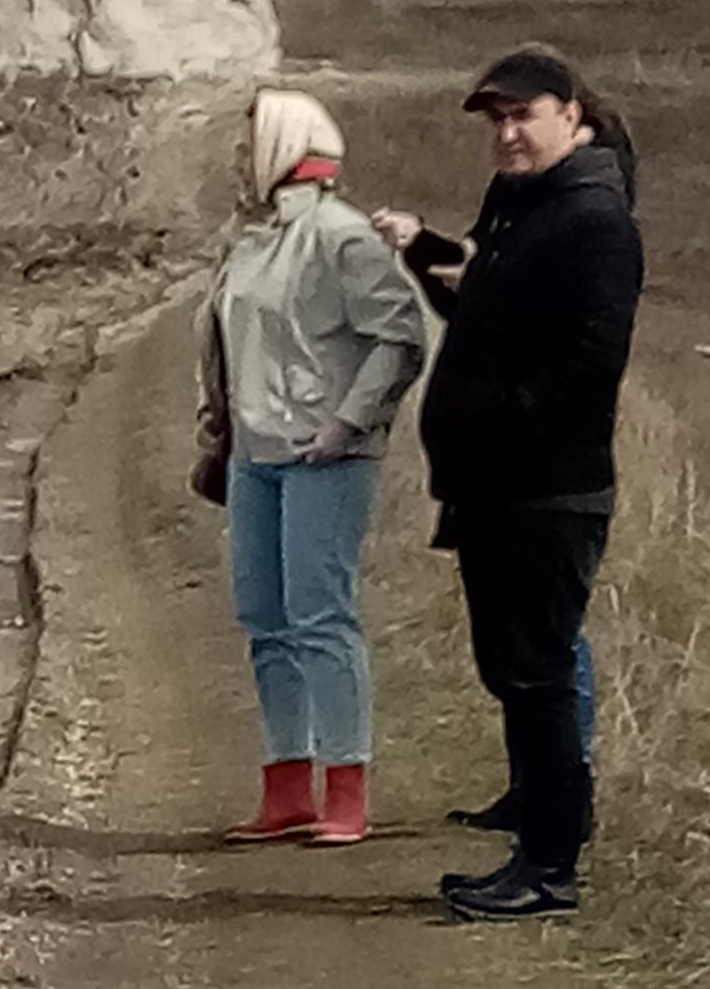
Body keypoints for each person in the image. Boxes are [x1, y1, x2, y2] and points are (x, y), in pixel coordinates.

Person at [373, 46, 643, 921]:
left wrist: (495, 422)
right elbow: (482, 314)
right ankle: (536, 813)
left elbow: (588, 368)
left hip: (545, 490)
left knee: (536, 670)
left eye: (523, 114)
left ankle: (550, 868)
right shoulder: (525, 209)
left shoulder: (594, 222)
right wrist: (425, 258)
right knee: (513, 665)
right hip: (497, 488)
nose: (507, 132)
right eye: (495, 119)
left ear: (575, 114)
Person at [193, 87, 429, 847]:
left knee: (321, 616)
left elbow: (398, 335)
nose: (238, 159)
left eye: (247, 142)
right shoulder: (254, 241)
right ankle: (286, 784)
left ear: (283, 146)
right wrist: (218, 426)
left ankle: (346, 789)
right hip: (255, 455)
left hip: (324, 455)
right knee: (265, 618)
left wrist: (347, 421)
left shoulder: (341, 236)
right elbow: (227, 343)